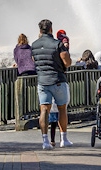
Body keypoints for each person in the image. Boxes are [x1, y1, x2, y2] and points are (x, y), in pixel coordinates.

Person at [32, 19, 73, 149]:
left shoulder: (34, 45)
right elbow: (67, 62)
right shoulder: (57, 44)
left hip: (42, 82)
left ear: (40, 30)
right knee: (62, 109)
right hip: (58, 80)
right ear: (51, 29)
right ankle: (64, 139)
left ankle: (45, 142)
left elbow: (34, 60)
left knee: (44, 110)